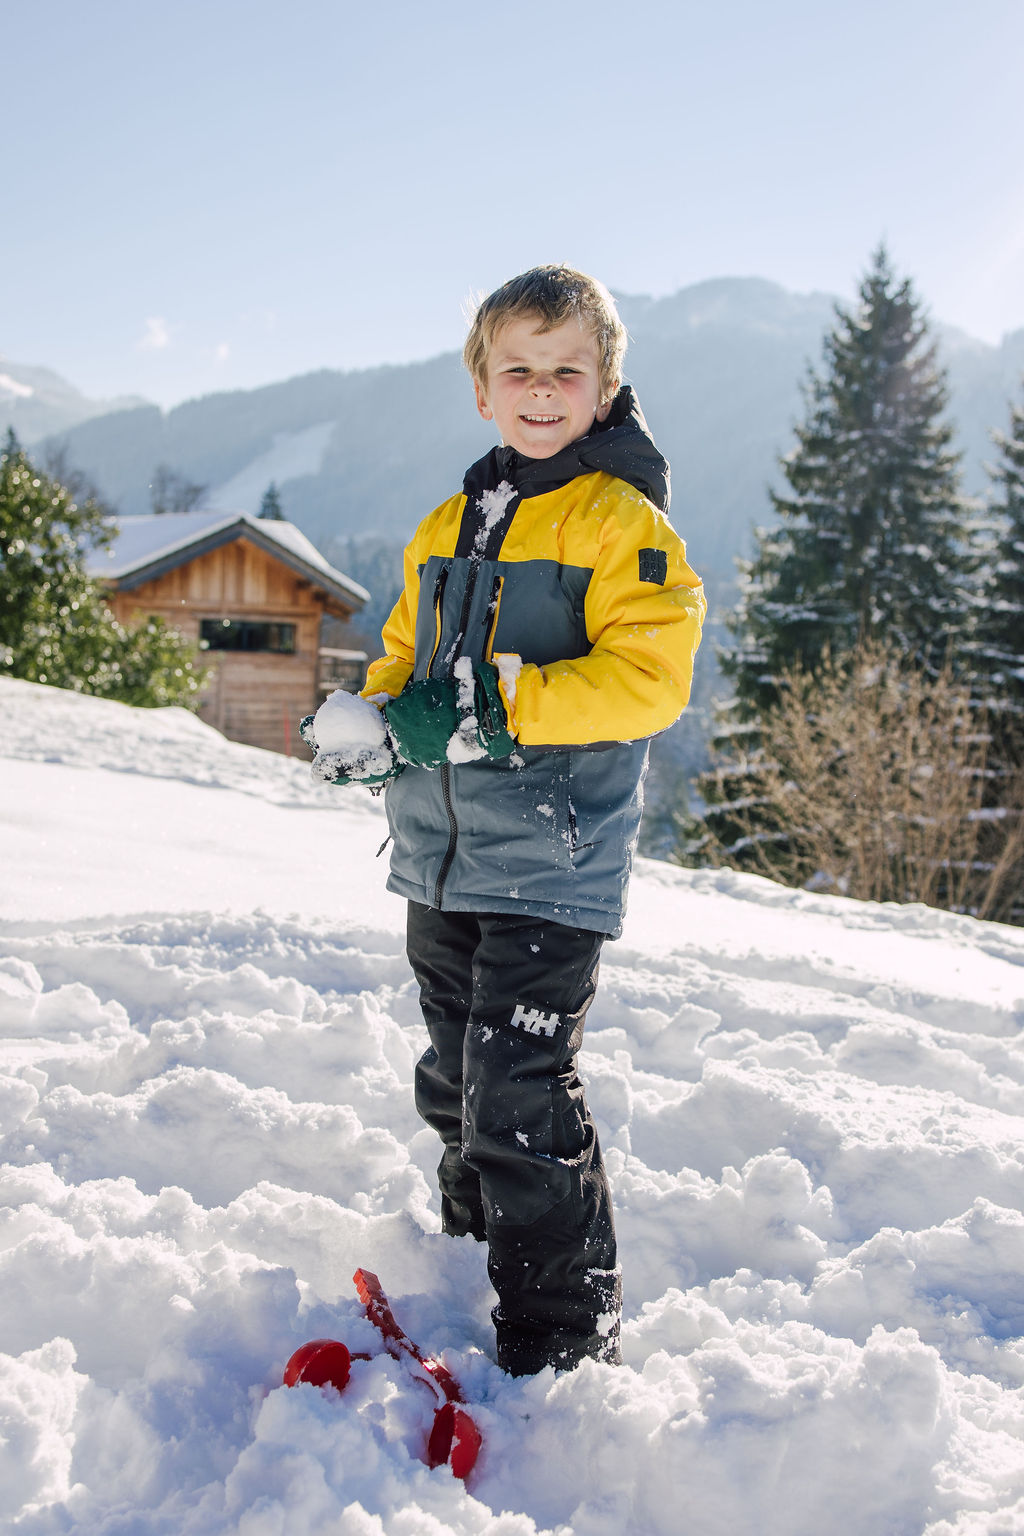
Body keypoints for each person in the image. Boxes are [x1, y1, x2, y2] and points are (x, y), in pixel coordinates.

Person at [306, 265, 705, 1376]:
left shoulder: (622, 523)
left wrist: (483, 708)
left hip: (548, 859)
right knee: (453, 1079)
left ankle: (563, 1337)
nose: (540, 391)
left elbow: (649, 680)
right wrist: (374, 723)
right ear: (481, 387)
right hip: (441, 860)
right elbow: (404, 655)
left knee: (518, 1091)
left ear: (605, 384)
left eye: (564, 371)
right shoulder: (453, 517)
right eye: (517, 370)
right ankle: (472, 1251)